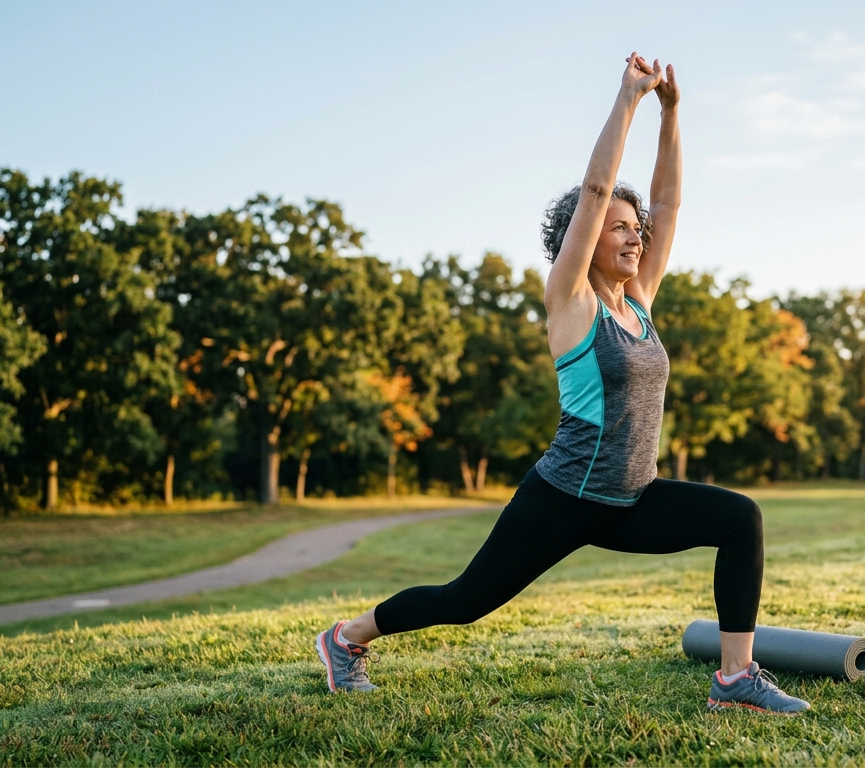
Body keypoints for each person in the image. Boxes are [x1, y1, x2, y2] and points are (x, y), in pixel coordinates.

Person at [316, 52, 809, 715]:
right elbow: (599, 191)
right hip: (565, 497)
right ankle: (346, 639)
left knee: (739, 519)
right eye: (619, 229)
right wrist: (630, 101)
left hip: (632, 497)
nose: (635, 238)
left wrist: (672, 114)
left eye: (639, 232)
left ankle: (733, 679)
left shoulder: (640, 301)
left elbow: (666, 201)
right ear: (585, 238)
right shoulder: (571, 302)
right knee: (463, 602)